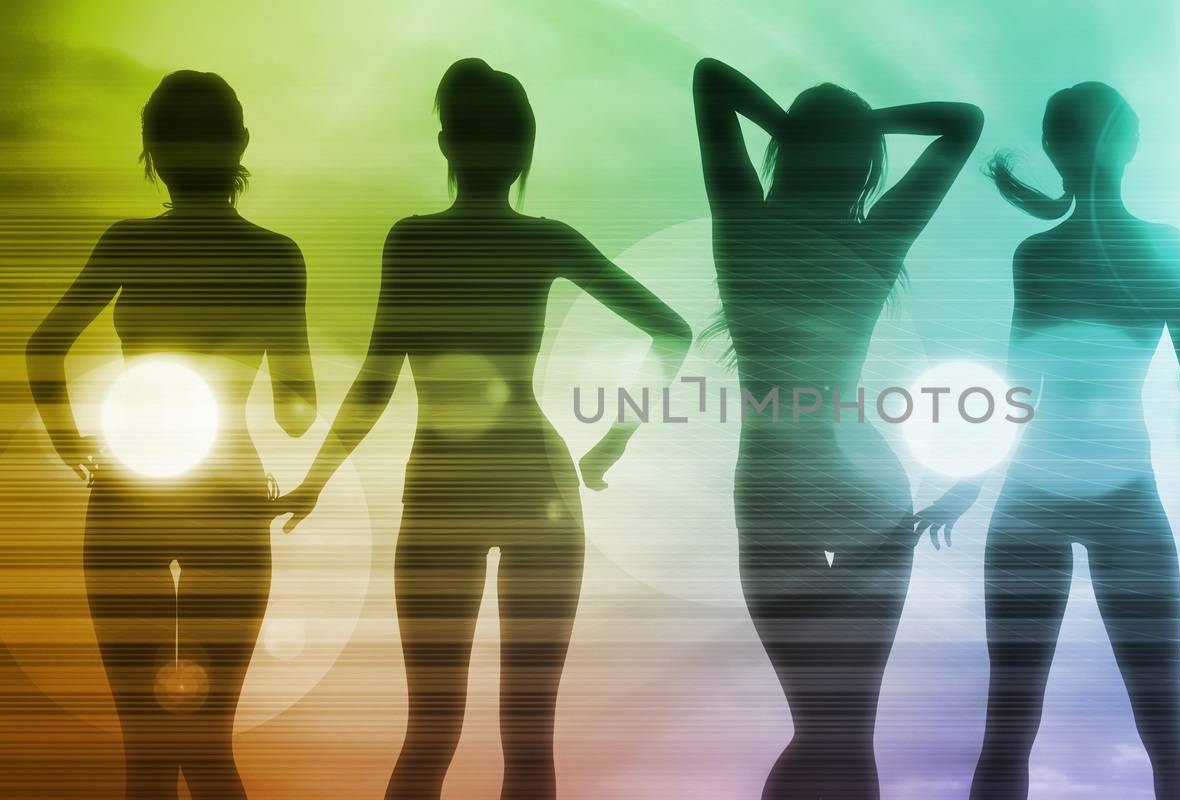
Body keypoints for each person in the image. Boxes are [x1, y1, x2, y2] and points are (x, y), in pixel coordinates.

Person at [277, 58, 691, 800]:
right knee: (526, 735)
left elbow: (377, 378)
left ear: (447, 144)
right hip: (538, 488)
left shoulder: (415, 240)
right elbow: (672, 333)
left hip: (444, 492)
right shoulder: (542, 239)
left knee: (433, 728)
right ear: (522, 150)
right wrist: (615, 438)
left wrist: (316, 480)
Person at [915, 82, 1180, 800]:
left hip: (1040, 497)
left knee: (1013, 726)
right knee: (1159, 724)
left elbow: (1021, 389)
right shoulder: (1154, 248)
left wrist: (969, 484)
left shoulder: (1043, 254)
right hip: (1117, 496)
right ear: (1129, 144)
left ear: (1057, 148)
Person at [692, 57, 982, 798]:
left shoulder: (744, 226)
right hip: (863, 483)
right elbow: (963, 123)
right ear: (862, 164)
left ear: (785, 153)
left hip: (773, 486)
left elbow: (712, 80)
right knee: (847, 729)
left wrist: (796, 129)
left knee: (821, 727)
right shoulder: (876, 239)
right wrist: (863, 127)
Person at [28, 71, 317, 800]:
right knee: (208, 744)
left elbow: (43, 348)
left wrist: (70, 444)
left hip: (129, 495)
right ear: (241, 145)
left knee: (148, 751)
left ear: (151, 149)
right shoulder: (276, 255)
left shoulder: (128, 242)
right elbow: (295, 405)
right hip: (231, 499)